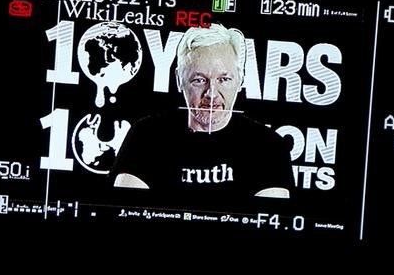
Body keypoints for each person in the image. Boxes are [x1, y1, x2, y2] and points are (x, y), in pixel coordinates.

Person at [111, 23, 293, 200]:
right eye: (199, 80)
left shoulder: (269, 147)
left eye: (224, 79)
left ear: (240, 80)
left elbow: (270, 225)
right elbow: (125, 215)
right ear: (179, 80)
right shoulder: (146, 136)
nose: (211, 93)